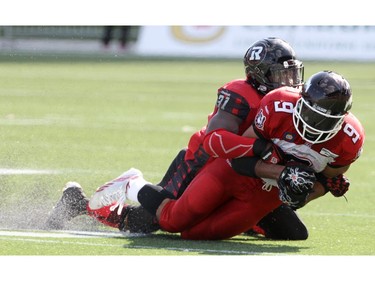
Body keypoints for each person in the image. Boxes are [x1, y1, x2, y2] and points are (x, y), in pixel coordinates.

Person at [45, 37, 307, 238]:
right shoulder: (240, 93)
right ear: (259, 74)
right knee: (145, 224)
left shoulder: (291, 101)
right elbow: (213, 140)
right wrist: (258, 147)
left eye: (292, 73)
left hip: (247, 175)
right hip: (202, 163)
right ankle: (99, 195)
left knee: (292, 233)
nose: (290, 82)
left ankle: (234, 218)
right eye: (282, 75)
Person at [74, 70, 364, 240]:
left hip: (265, 195)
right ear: (300, 102)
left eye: (324, 121)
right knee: (172, 221)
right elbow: (237, 155)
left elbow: (324, 183)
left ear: (342, 119)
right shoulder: (276, 106)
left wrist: (306, 192)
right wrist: (281, 171)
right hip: (232, 170)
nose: (314, 126)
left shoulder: (349, 139)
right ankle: (133, 185)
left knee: (193, 235)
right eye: (311, 115)